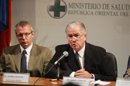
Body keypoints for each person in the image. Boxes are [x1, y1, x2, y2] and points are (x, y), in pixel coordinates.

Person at [45, 21, 117, 81]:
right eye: (70, 36)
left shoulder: (99, 52)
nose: (73, 39)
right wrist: (73, 74)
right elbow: (49, 70)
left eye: (76, 35)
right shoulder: (62, 50)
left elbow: (111, 77)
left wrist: (92, 76)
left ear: (85, 36)